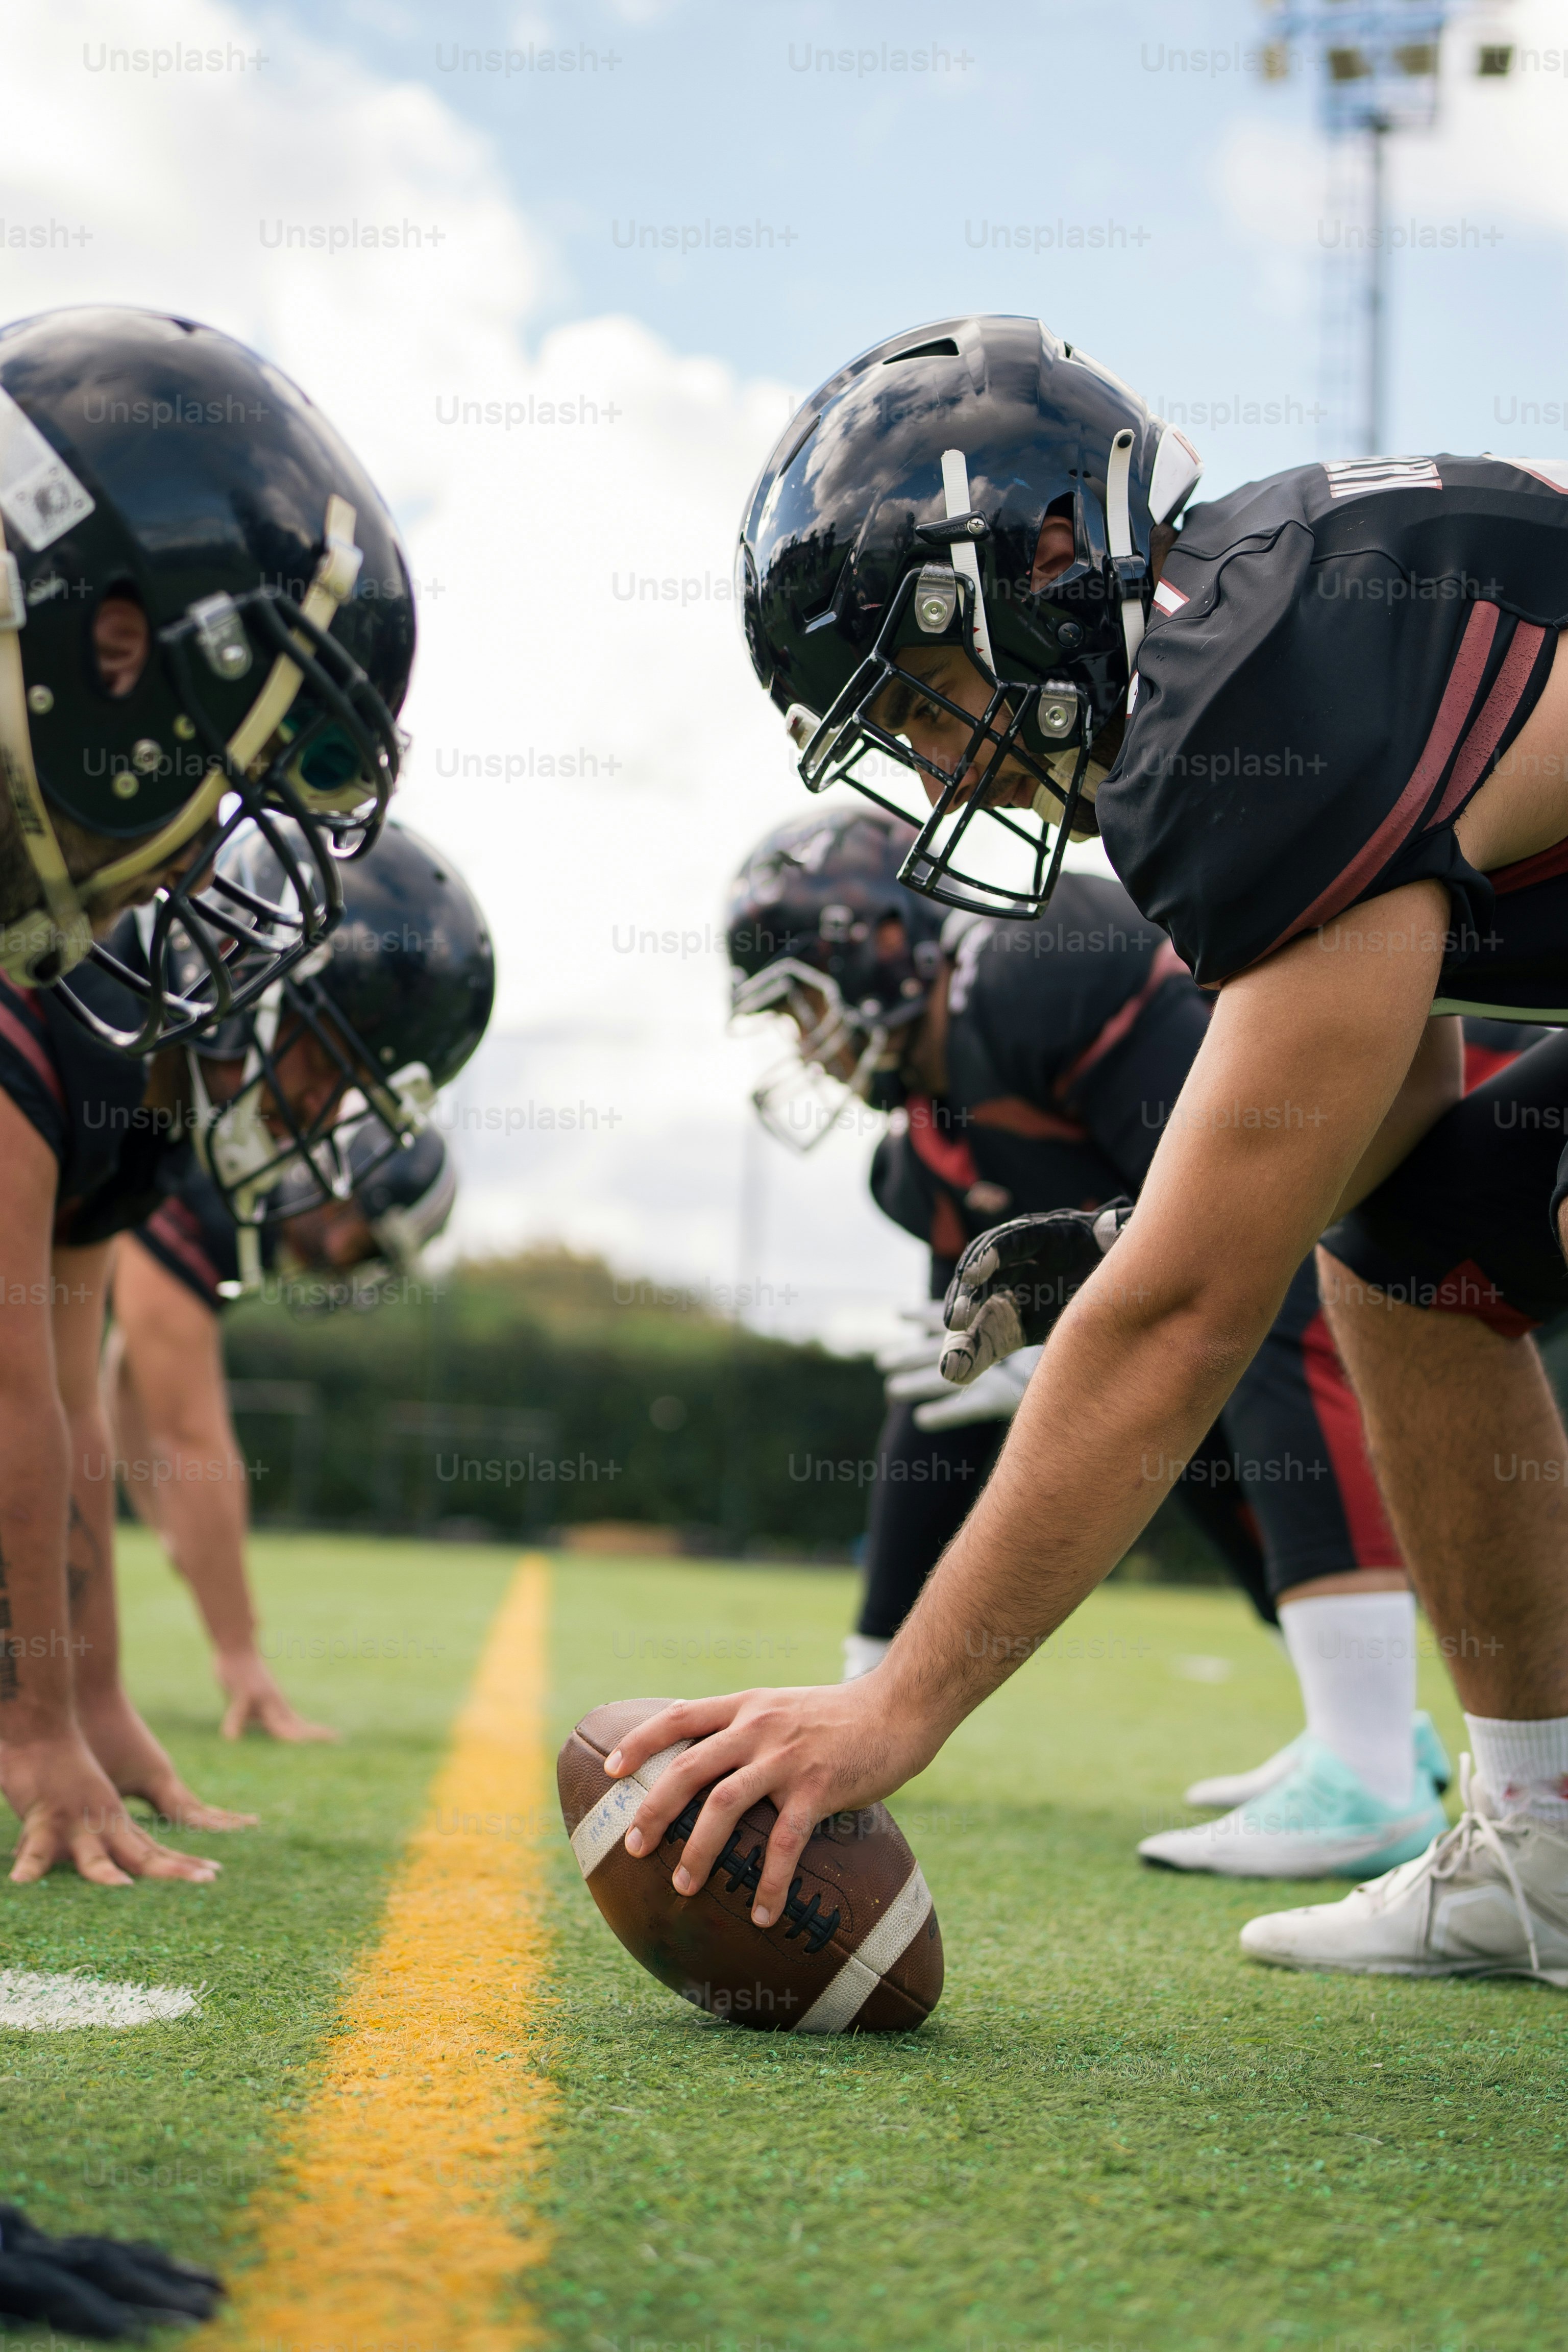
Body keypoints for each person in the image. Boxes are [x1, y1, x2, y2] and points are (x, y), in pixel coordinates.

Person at [610, 313, 1568, 1987]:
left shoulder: (1235, 693)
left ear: (1040, 556)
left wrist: (893, 1703)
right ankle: (1549, 1836)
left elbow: (1190, 1316)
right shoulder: (1272, 605)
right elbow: (1384, 1111)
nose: (929, 761)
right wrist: (1140, 1229)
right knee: (1422, 1244)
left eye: (918, 699)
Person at [729, 810, 1550, 1875]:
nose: (806, 1040)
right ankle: (1374, 1731)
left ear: (883, 942)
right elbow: (947, 1390)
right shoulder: (923, 1146)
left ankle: (1370, 1766)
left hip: (1490, 1110)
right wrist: (858, 1687)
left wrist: (1075, 1334)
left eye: (802, 999)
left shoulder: (1028, 976)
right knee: (1144, 1402)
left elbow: (1249, 1209)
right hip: (1386, 1219)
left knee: (1230, 1289)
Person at [0, 302, 413, 1888]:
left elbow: (54, 1397)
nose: (196, 860)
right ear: (111, 644)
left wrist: (84, 1699)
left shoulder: (82, 1028)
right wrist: (31, 1716)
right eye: (218, 778)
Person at [104, 1126, 456, 1743]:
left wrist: (167, 1527)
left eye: (369, 1252)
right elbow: (191, 1443)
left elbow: (126, 1369)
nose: (347, 1251)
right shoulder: (217, 1202)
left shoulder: (240, 1197)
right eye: (362, 1233)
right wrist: (238, 1652)